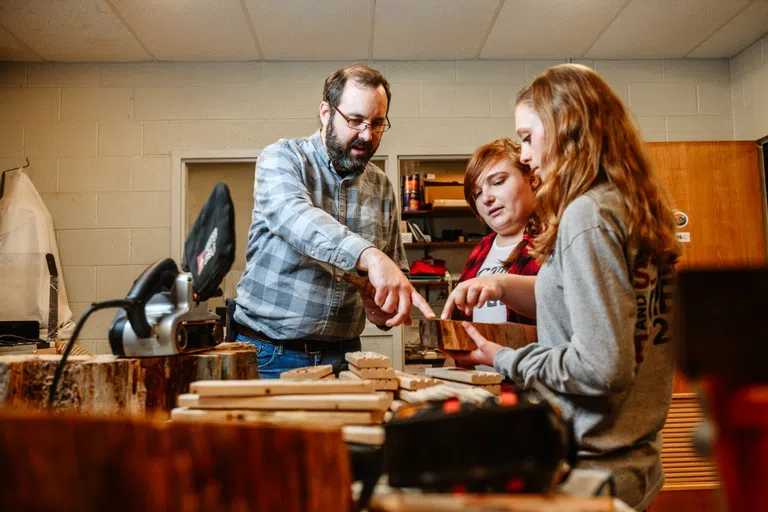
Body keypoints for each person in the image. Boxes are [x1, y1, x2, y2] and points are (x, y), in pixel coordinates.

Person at [441, 64, 680, 510]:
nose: (526, 156)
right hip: (632, 453)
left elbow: (601, 367)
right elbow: (591, 308)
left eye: (528, 137)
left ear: (565, 127)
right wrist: (500, 284)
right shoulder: (626, 204)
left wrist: (504, 358)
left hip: (595, 462)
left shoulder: (586, 217)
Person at [234, 64, 434, 378]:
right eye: (355, 120)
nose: (367, 135)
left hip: (345, 357)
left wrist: (383, 307)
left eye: (378, 123)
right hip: (268, 355)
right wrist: (369, 256)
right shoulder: (282, 158)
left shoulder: (381, 187)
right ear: (326, 112)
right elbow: (294, 216)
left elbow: (392, 270)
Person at [451, 137, 541, 326]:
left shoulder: (555, 239)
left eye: (498, 182)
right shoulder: (481, 249)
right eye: (477, 193)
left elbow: (560, 300)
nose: (486, 198)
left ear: (532, 178)